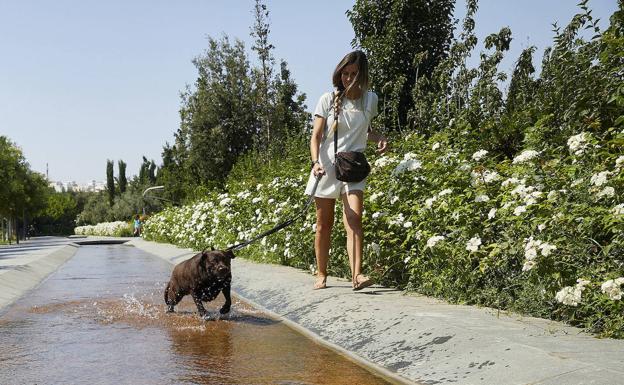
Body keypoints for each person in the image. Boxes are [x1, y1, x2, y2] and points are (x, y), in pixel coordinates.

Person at [304, 50, 388, 290]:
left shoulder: (370, 100)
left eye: (353, 74)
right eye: (345, 74)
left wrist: (380, 137)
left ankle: (357, 275)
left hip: (353, 167)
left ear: (363, 75)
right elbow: (316, 136)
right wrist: (315, 162)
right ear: (339, 74)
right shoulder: (327, 100)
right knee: (323, 224)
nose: (348, 79)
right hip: (327, 167)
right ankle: (321, 273)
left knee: (354, 218)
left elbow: (363, 132)